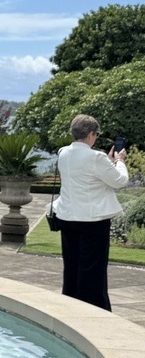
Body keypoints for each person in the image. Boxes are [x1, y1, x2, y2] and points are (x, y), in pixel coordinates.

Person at [53, 114, 128, 310]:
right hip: (92, 220)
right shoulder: (96, 157)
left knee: (72, 266)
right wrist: (119, 161)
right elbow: (120, 181)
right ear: (91, 134)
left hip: (67, 217)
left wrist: (108, 162)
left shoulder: (63, 153)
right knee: (92, 270)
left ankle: (70, 305)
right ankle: (96, 309)